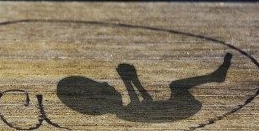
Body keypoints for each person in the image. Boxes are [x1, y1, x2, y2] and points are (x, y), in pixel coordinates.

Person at [56, 53, 232, 123]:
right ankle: (214, 77)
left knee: (177, 87)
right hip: (183, 109)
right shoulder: (125, 113)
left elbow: (144, 102)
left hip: (177, 110)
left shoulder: (125, 113)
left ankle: (215, 77)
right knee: (177, 86)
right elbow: (146, 101)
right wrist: (130, 79)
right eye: (99, 86)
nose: (105, 83)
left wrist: (130, 79)